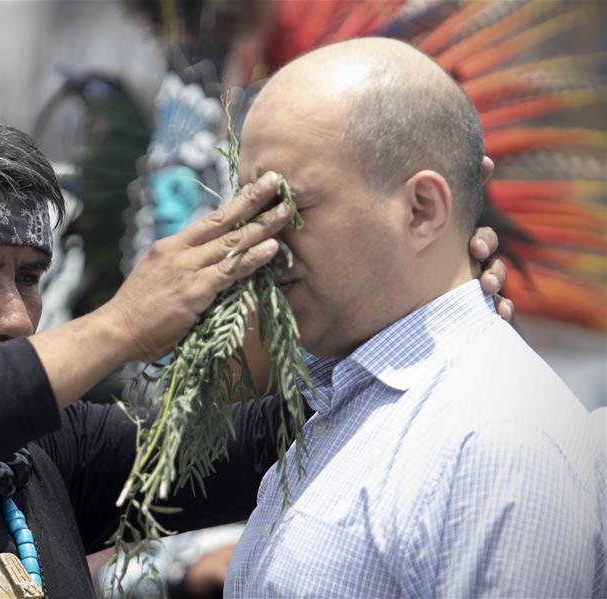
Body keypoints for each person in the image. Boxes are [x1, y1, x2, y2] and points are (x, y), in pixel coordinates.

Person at [0, 90, 506, 599]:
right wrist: (122, 324)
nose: (14, 316)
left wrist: (414, 304)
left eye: (28, 278)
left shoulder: (42, 455)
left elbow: (281, 437)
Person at [224, 37, 604, 598]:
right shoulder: (343, 401)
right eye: (251, 212)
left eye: (290, 208)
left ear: (423, 210)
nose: (258, 246)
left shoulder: (496, 442)